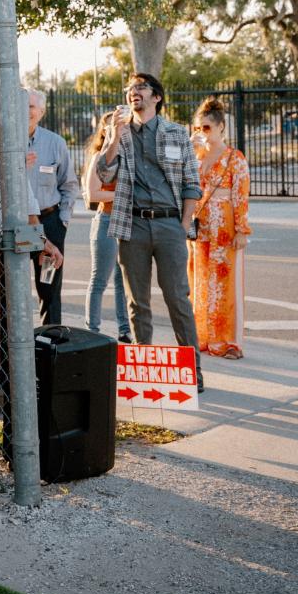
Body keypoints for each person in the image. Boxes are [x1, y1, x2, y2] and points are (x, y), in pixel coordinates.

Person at [94, 73, 203, 384]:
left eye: (141, 87)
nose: (133, 93)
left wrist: (183, 225)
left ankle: (193, 372)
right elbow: (104, 173)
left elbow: (192, 183)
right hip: (133, 226)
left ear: (157, 96)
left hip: (170, 225)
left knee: (177, 299)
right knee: (137, 302)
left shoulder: (176, 133)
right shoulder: (121, 133)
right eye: (130, 88)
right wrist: (114, 135)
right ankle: (144, 373)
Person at [189, 97, 251, 359]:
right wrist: (188, 153)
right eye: (198, 127)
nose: (202, 133)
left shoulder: (233, 158)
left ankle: (227, 341)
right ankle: (202, 337)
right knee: (200, 282)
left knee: (225, 283)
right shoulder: (195, 156)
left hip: (224, 224)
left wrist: (241, 229)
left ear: (221, 127)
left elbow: (241, 194)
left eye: (206, 128)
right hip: (199, 224)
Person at [25, 87, 80, 326]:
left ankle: (50, 341)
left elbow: (69, 184)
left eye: (31, 107)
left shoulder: (55, 143)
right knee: (6, 288)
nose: (26, 112)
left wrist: (62, 221)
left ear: (42, 111)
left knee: (48, 289)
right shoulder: (3, 141)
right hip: (16, 224)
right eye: (22, 106)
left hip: (49, 222)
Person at [79, 122, 132, 343]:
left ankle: (124, 330)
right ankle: (93, 330)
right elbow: (93, 195)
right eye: (115, 127)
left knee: (123, 281)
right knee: (100, 279)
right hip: (107, 220)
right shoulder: (100, 158)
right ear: (105, 131)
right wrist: (124, 194)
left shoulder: (130, 158)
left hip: (127, 221)